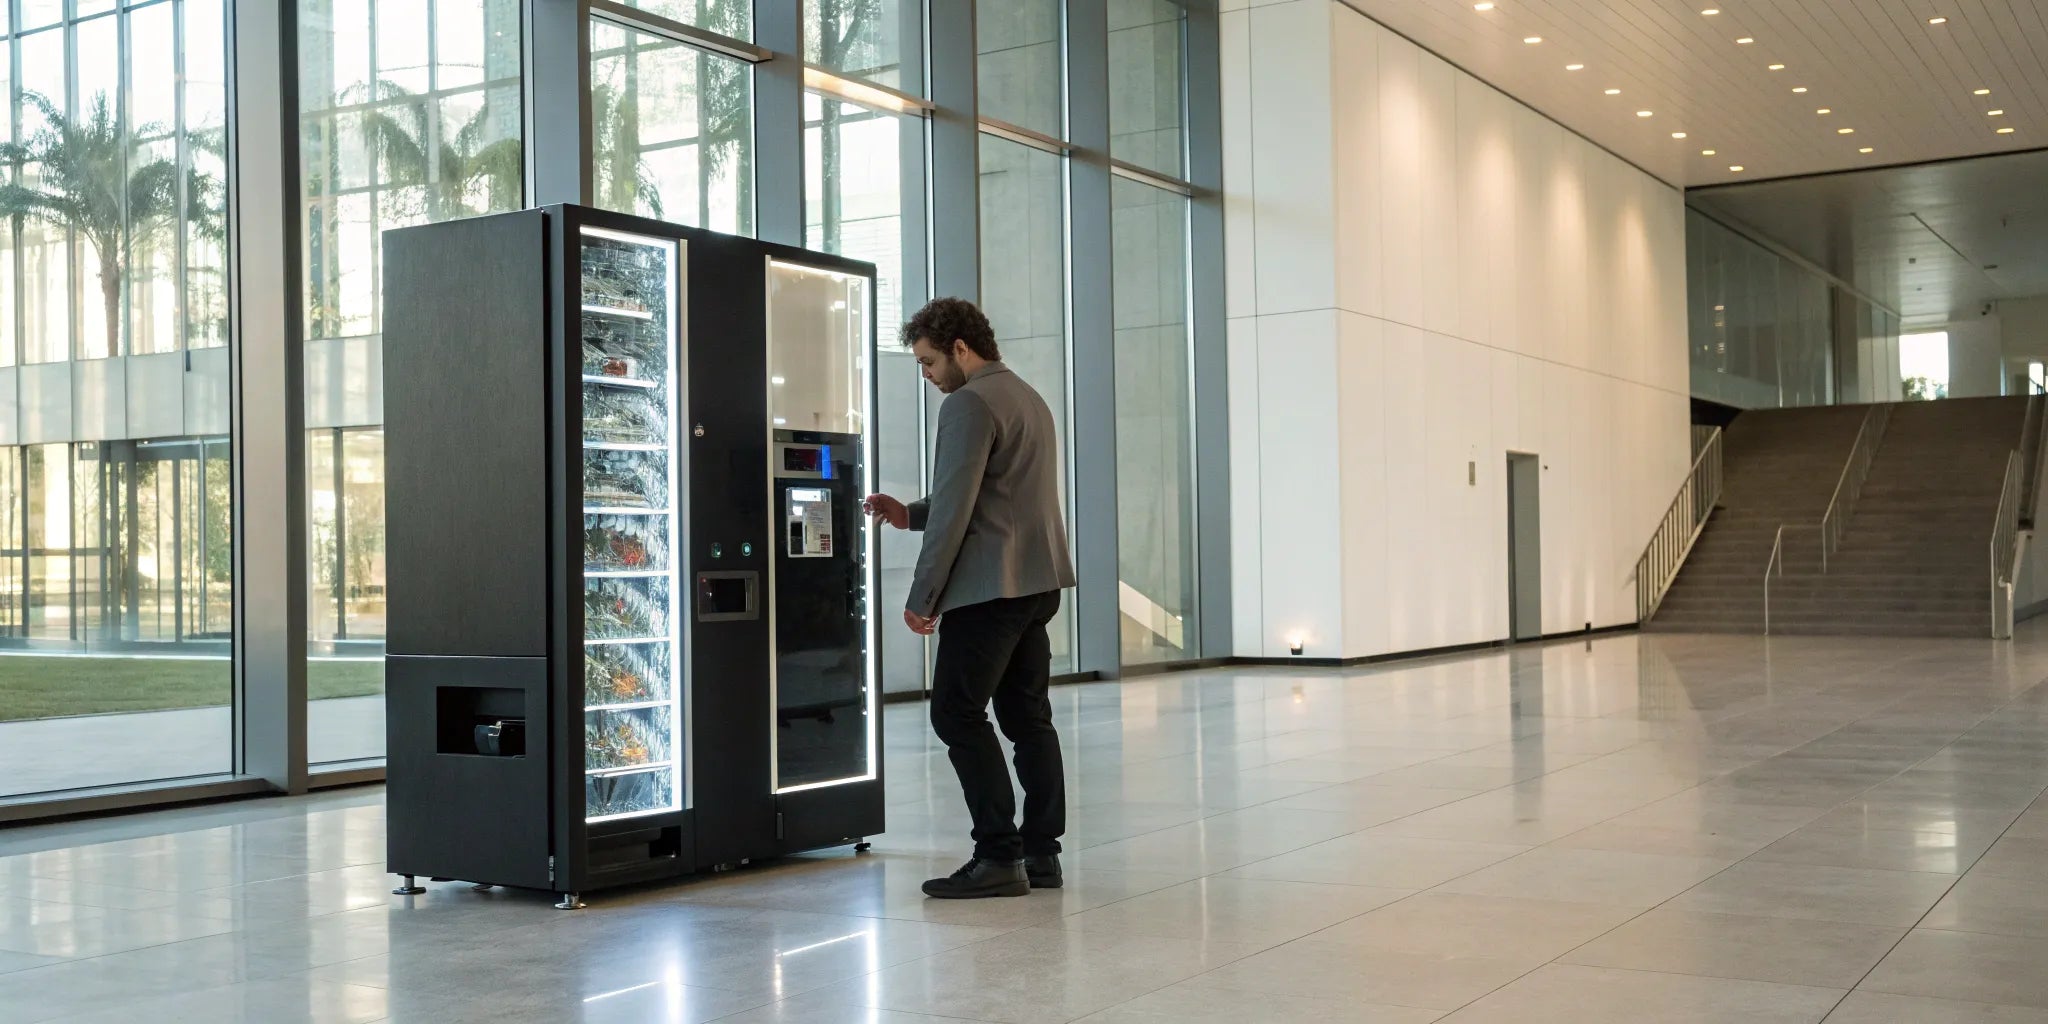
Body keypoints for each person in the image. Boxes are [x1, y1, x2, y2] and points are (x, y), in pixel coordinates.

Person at [864, 297, 1077, 900]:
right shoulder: (1027, 397)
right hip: (1036, 583)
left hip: (989, 588)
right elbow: (990, 492)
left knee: (955, 713)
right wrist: (908, 514)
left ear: (960, 348)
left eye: (929, 361)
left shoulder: (968, 403)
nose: (927, 375)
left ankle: (997, 856)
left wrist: (923, 595)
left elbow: (958, 508)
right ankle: (1041, 853)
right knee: (1028, 719)